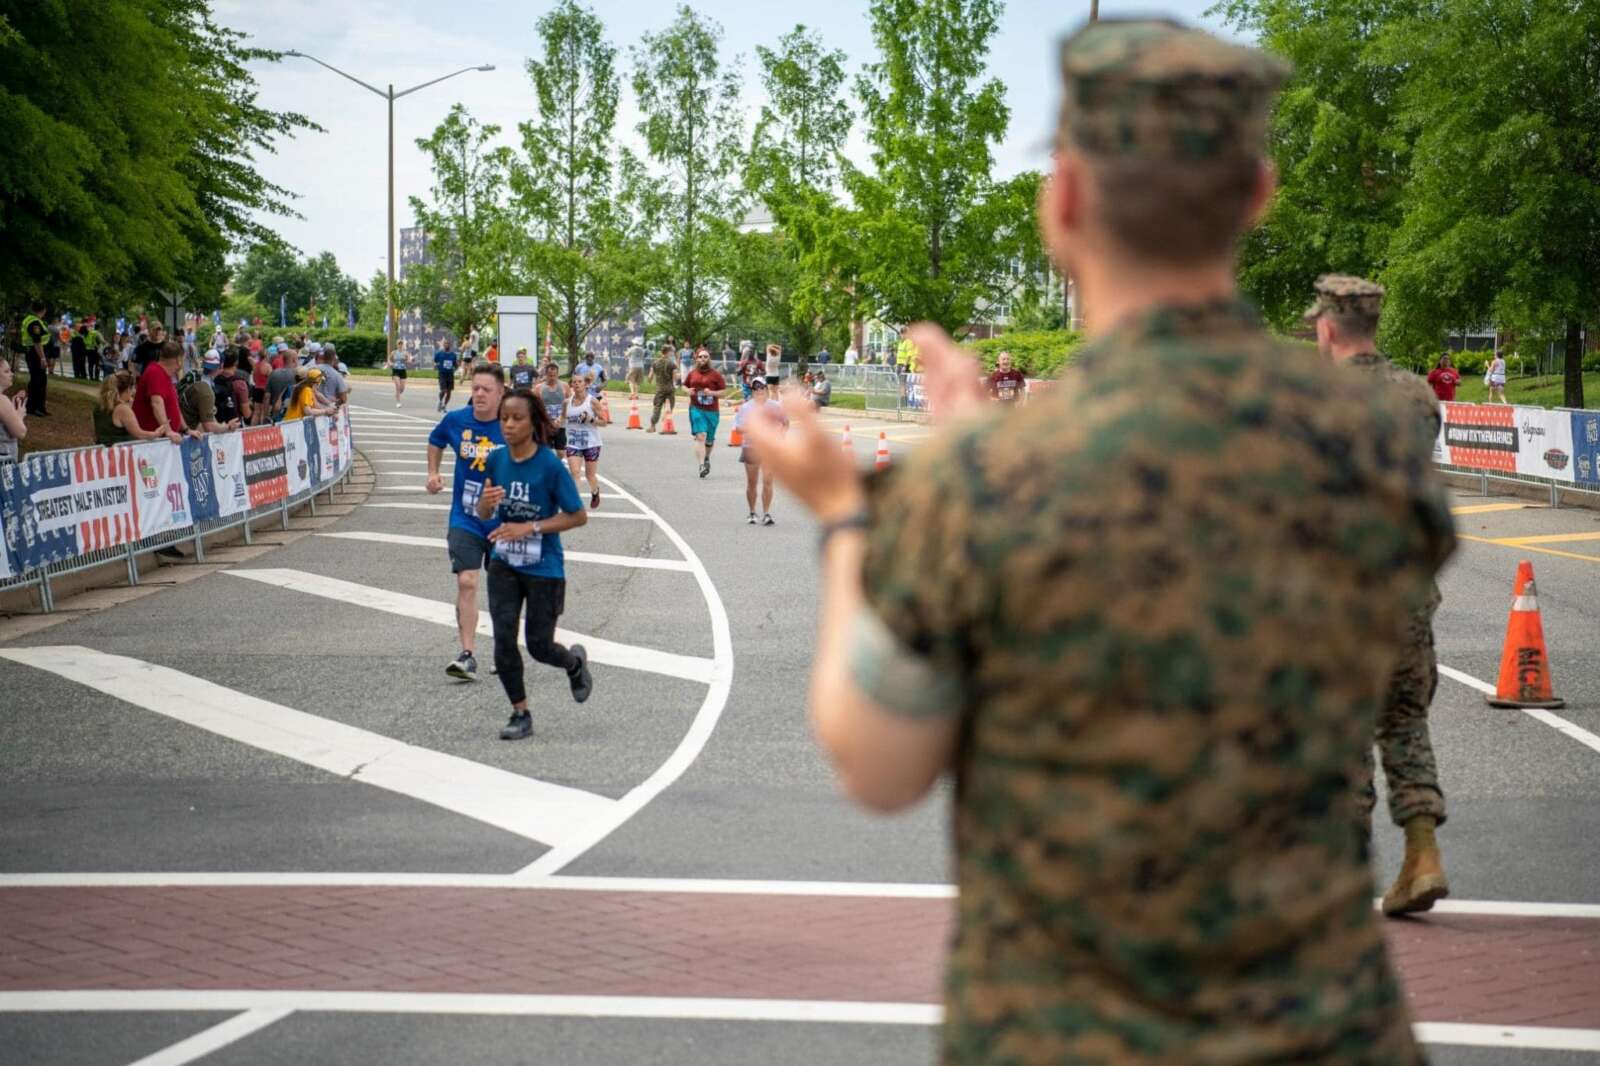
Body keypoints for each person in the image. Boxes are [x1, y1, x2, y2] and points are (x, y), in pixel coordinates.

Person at [744, 19, 1453, 1064]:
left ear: (1062, 200)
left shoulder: (987, 481)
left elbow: (879, 762)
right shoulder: (1368, 442)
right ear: (1254, 195)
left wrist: (852, 515)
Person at [1307, 273, 1451, 917]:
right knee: (1404, 721)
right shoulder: (1418, 395)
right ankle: (1422, 855)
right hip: (1408, 593)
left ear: (1329, 327)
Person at [475, 388, 593, 741]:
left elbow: (578, 516)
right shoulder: (496, 460)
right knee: (503, 639)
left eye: (517, 418)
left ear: (532, 422)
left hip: (544, 568)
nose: (508, 425)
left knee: (540, 646)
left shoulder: (549, 466)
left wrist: (532, 526)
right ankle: (520, 712)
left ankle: (574, 664)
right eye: (504, 418)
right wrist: (485, 503)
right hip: (504, 563)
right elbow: (484, 511)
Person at [426, 364, 507, 682]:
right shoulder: (456, 420)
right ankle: (467, 654)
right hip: (466, 517)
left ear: (501, 392)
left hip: (505, 520)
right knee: (467, 581)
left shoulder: (512, 423)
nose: (479, 394)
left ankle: (504, 651)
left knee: (503, 587)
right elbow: (436, 440)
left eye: (486, 389)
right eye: (475, 388)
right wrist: (433, 473)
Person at [736, 376, 784, 525]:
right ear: (752, 391)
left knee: (768, 481)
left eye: (762, 388)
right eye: (756, 389)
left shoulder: (775, 406)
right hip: (750, 447)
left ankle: (767, 513)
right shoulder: (746, 407)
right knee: (752, 482)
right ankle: (752, 512)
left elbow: (785, 423)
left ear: (766, 390)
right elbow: (738, 428)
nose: (759, 391)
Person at [564, 371, 608, 510]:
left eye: (579, 382)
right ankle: (576, 504)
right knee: (575, 472)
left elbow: (604, 422)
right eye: (574, 382)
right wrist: (554, 423)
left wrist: (591, 419)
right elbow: (561, 418)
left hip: (591, 443)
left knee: (590, 475)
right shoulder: (566, 402)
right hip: (573, 443)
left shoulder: (592, 401)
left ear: (586, 385)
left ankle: (595, 491)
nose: (576, 384)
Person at [683, 347, 728, 479]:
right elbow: (684, 385)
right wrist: (688, 391)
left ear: (709, 359)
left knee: (709, 440)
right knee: (700, 436)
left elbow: (723, 391)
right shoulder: (692, 373)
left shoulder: (716, 375)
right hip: (696, 408)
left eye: (705, 357)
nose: (703, 359)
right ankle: (702, 465)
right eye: (700, 356)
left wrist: (712, 393)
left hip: (712, 411)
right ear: (696, 358)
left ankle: (707, 457)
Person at [132, 341, 191, 437]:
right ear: (178, 359)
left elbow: (174, 406)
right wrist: (168, 431)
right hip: (153, 441)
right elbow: (156, 403)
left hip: (163, 439)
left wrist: (186, 429)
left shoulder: (164, 374)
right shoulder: (155, 372)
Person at [179, 352, 243, 434]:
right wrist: (228, 427)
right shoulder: (205, 389)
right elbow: (209, 426)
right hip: (188, 431)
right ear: (221, 366)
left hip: (181, 424)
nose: (209, 370)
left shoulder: (192, 373)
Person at [18, 300, 49, 416]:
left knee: (39, 380)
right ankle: (34, 407)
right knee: (38, 380)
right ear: (44, 310)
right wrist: (42, 358)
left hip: (34, 353)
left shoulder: (30, 319)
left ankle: (39, 407)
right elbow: (37, 341)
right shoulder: (34, 322)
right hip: (35, 353)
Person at [0, 359, 28, 463]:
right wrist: (19, 415)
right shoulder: (2, 401)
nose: (11, 374)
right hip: (4, 460)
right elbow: (20, 432)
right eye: (6, 371)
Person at [648, 342, 680, 432]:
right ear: (668, 352)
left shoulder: (655, 363)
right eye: (671, 352)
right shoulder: (672, 363)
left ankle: (652, 426)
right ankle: (666, 421)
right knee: (670, 406)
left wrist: (651, 381)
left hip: (659, 388)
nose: (672, 353)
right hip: (669, 388)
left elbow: (650, 377)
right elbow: (675, 377)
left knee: (657, 407)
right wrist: (678, 378)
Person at [538, 361, 569, 453]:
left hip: (560, 424)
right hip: (545, 424)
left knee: (560, 452)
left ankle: (557, 464)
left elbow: (570, 402)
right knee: (546, 451)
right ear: (546, 374)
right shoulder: (539, 387)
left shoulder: (564, 386)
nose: (552, 377)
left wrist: (562, 417)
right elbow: (534, 406)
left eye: (554, 375)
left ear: (558, 374)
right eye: (550, 375)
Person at [435, 338, 459, 412]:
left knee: (449, 392)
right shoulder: (439, 354)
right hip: (442, 374)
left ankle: (444, 406)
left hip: (450, 375)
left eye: (448, 344)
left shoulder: (453, 355)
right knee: (443, 390)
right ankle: (440, 401)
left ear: (450, 345)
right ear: (443, 345)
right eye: (445, 344)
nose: (446, 345)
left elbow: (455, 365)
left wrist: (455, 369)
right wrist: (438, 366)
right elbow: (435, 361)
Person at [390, 342, 412, 406]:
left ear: (403, 345)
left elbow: (409, 361)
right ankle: (398, 402)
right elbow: (389, 359)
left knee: (402, 389)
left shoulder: (406, 353)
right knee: (398, 386)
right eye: (399, 344)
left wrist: (406, 360)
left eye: (401, 344)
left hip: (403, 371)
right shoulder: (393, 352)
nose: (400, 345)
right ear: (397, 345)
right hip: (395, 370)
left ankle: (397, 394)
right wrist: (391, 363)